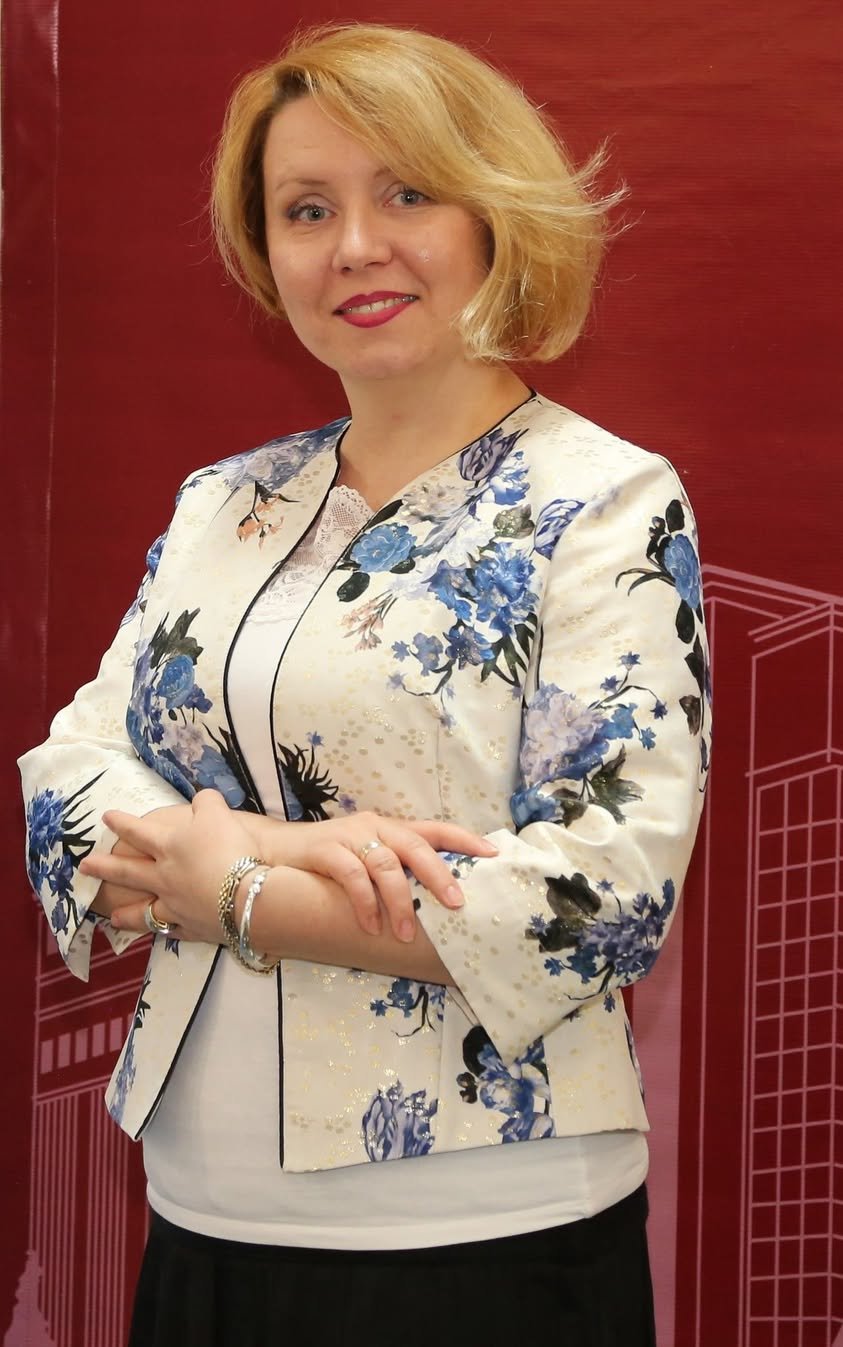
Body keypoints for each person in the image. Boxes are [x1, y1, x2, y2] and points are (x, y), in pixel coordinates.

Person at [19, 22, 711, 1346]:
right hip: (201, 1216)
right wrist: (274, 844)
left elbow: (600, 900)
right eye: (306, 209)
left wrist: (238, 892)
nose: (353, 246)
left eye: (406, 193)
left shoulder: (605, 501)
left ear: (493, 216)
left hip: (486, 1241)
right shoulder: (225, 503)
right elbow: (69, 770)